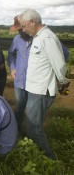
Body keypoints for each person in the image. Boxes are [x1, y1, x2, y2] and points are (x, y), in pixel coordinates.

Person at [19, 9, 70, 159]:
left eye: (24, 26)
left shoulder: (47, 38)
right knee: (34, 124)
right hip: (35, 89)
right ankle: (37, 154)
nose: (23, 30)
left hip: (40, 90)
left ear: (32, 22)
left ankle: (48, 159)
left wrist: (62, 83)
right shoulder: (39, 37)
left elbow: (59, 65)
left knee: (33, 127)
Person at [7, 15, 70, 133]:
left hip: (38, 84)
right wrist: (13, 68)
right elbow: (10, 55)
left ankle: (33, 134)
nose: (22, 31)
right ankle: (16, 133)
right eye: (19, 30)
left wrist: (54, 72)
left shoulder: (43, 38)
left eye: (22, 28)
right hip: (20, 81)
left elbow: (64, 55)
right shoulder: (17, 39)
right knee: (19, 109)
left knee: (36, 113)